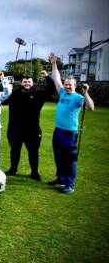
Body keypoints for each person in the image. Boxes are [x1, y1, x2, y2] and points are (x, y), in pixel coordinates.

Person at [48, 52, 94, 193]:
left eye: (70, 85)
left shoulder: (78, 97)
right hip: (58, 131)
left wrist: (86, 93)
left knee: (70, 159)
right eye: (66, 84)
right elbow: (56, 79)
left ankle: (70, 184)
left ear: (75, 86)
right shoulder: (62, 93)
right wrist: (54, 63)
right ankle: (61, 178)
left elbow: (91, 108)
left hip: (69, 133)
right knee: (59, 157)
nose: (67, 86)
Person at [3, 72, 55, 181]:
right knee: (15, 150)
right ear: (21, 83)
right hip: (15, 130)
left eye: (29, 82)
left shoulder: (39, 94)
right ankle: (13, 169)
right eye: (25, 81)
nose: (27, 83)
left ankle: (34, 172)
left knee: (33, 152)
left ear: (32, 83)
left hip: (32, 131)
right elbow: (2, 101)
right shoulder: (14, 94)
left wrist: (46, 77)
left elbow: (52, 90)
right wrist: (5, 82)